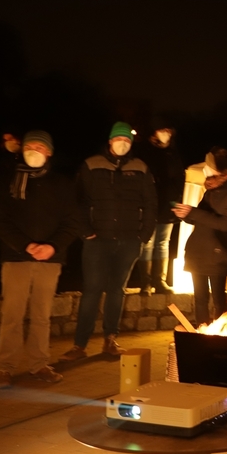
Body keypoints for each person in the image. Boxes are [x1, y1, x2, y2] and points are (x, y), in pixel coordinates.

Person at [60, 122, 158, 361]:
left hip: (129, 241)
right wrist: (86, 232)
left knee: (117, 290)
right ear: (110, 141)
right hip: (97, 240)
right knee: (92, 290)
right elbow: (77, 201)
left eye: (126, 140)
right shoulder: (91, 165)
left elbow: (151, 203)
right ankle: (79, 345)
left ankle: (110, 339)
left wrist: (143, 236)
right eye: (118, 139)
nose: (122, 143)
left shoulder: (140, 167)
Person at [0, 130, 81, 388]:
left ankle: (39, 364)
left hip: (50, 259)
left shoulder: (62, 184)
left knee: (42, 315)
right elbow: (0, 220)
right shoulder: (8, 181)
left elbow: (72, 222)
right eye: (29, 146)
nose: (34, 151)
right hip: (16, 257)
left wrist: (53, 247)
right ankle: (5, 366)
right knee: (12, 314)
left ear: (49, 152)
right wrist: (25, 245)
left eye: (40, 147)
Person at [173, 148, 227, 326]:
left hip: (216, 252)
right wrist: (186, 214)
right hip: (197, 249)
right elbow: (201, 218)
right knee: (200, 297)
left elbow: (226, 224)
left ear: (220, 170)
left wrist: (194, 213)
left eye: (209, 166)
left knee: (219, 298)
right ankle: (201, 332)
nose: (206, 170)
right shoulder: (211, 191)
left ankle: (221, 333)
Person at [134, 123, 184, 294]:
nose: (165, 134)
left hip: (168, 204)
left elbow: (179, 176)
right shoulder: (146, 151)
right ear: (154, 132)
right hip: (149, 202)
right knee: (147, 243)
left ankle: (160, 281)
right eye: (162, 130)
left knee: (163, 242)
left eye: (168, 131)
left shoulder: (173, 152)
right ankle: (146, 283)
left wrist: (176, 198)